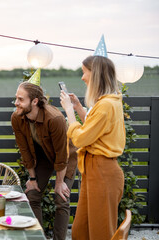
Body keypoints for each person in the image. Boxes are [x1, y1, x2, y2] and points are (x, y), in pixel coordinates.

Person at [60, 52, 125, 238]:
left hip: (103, 172)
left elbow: (80, 139)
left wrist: (69, 112)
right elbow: (95, 130)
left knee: (100, 233)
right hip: (95, 170)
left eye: (84, 72)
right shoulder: (107, 102)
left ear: (95, 74)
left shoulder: (106, 106)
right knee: (81, 231)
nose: (82, 77)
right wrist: (80, 108)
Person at [11, 75, 77, 240]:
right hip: (43, 158)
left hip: (66, 157)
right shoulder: (17, 117)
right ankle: (37, 237)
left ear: (34, 101)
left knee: (61, 198)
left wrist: (60, 182)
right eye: (16, 98)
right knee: (32, 194)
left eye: (20, 99)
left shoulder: (55, 119)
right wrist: (32, 177)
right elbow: (24, 150)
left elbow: (62, 155)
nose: (16, 103)